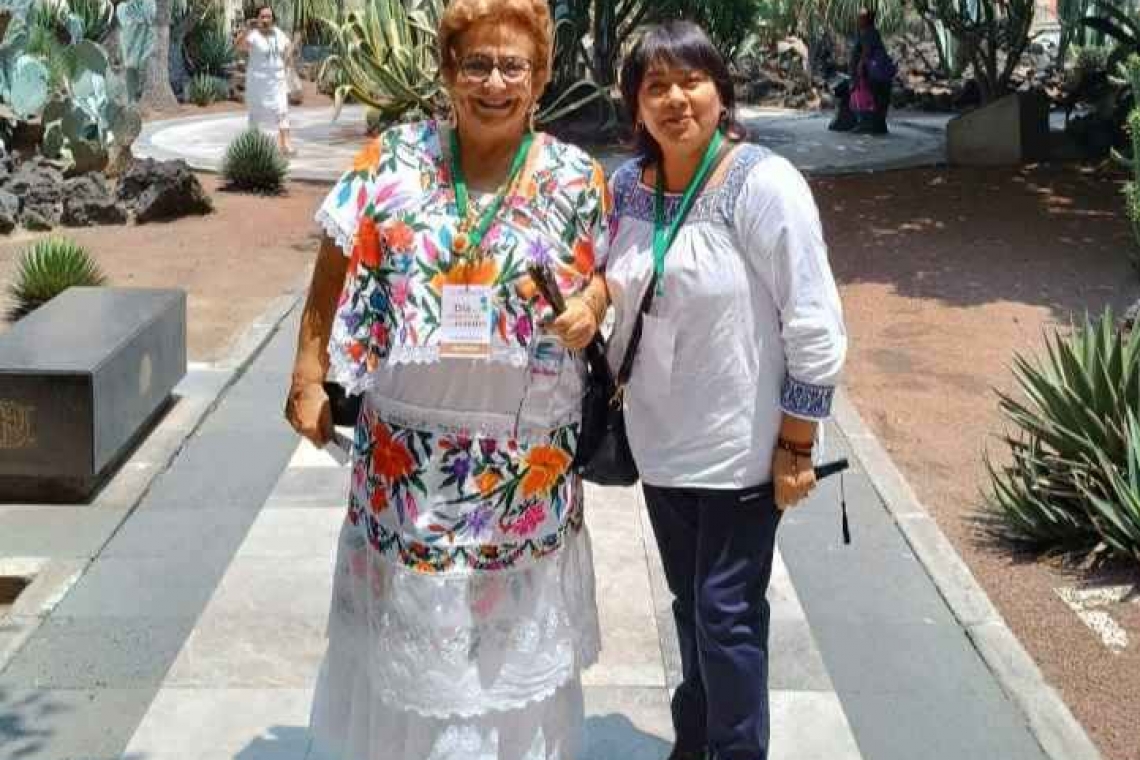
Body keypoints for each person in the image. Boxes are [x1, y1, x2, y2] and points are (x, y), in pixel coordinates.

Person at [284, 0, 610, 757]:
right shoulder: (392, 159)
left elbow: (610, 275)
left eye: (512, 66)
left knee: (503, 663)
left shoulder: (574, 176)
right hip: (408, 461)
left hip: (524, 465)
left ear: (540, 78)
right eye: (477, 64)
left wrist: (593, 302)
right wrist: (307, 371)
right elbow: (335, 256)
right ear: (447, 72)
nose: (494, 82)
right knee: (411, 654)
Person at [602, 21, 847, 760]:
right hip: (660, 443)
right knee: (690, 607)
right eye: (656, 86)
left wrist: (795, 445)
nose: (676, 99)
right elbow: (598, 287)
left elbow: (815, 324)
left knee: (727, 613)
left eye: (692, 80)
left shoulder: (763, 183)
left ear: (721, 90)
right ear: (635, 105)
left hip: (741, 450)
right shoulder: (624, 190)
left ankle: (736, 750)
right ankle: (696, 739)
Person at [236, 4, 295, 155]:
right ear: (257, 18)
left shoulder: (278, 33)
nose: (266, 19)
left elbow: (288, 47)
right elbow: (239, 47)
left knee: (282, 110)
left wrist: (288, 62)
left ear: (273, 18)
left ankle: (285, 143)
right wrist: (246, 30)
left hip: (277, 80)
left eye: (268, 16)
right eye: (262, 16)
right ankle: (254, 145)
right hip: (258, 81)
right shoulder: (253, 35)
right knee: (256, 112)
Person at [849, 7, 891, 135]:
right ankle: (876, 125)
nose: (858, 20)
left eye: (861, 18)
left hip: (871, 72)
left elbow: (867, 51)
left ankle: (868, 125)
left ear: (867, 19)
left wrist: (860, 66)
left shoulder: (869, 32)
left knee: (868, 98)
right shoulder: (868, 32)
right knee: (874, 99)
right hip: (875, 73)